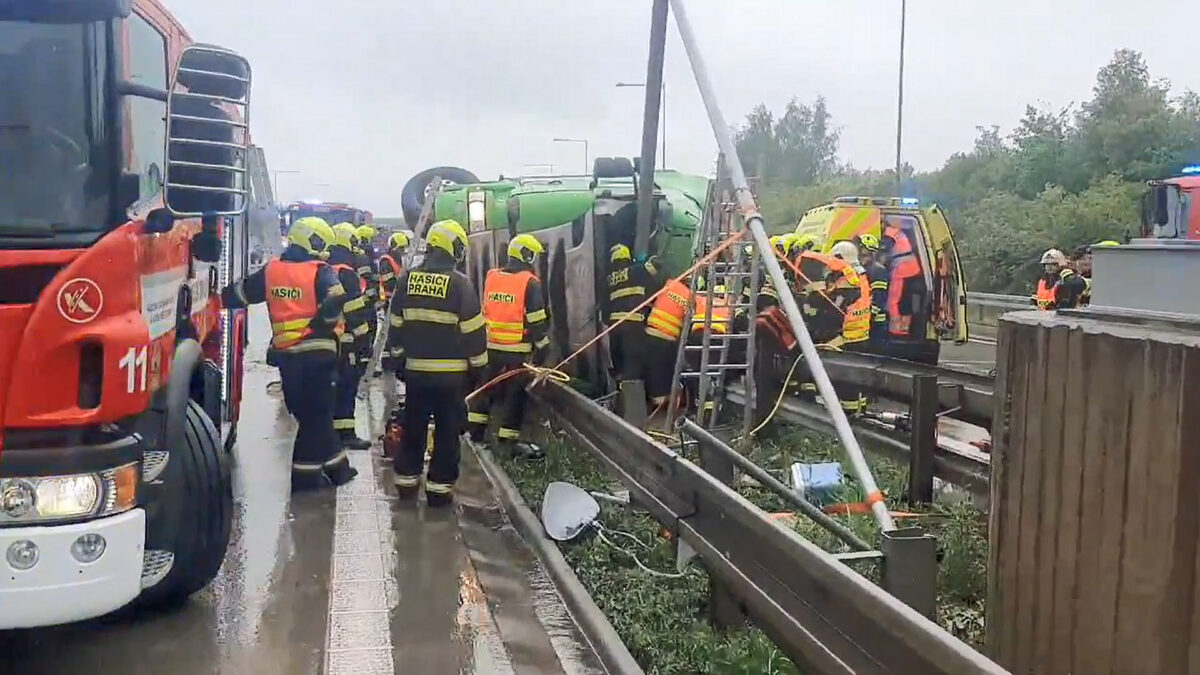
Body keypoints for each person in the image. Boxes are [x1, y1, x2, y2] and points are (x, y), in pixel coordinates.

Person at [220, 216, 357, 490]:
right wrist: (323, 326)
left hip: (288, 357)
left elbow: (238, 295)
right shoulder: (321, 271)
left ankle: (337, 469)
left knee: (309, 415)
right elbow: (334, 303)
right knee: (318, 416)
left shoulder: (271, 271)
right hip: (319, 353)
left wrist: (211, 292)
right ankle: (306, 477)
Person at [384, 219, 487, 507]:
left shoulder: (407, 280)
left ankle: (406, 484)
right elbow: (474, 334)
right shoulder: (460, 285)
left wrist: (400, 361)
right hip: (451, 380)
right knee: (446, 435)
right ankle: (439, 492)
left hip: (416, 375)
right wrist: (479, 370)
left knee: (414, 429)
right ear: (451, 247)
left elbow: (395, 327)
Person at [467, 234, 551, 458]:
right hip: (516, 351)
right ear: (526, 255)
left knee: (485, 390)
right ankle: (508, 441)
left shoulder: (492, 277)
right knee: (515, 396)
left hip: (490, 347)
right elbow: (536, 321)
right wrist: (544, 349)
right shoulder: (529, 282)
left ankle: (475, 433)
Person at [328, 223, 373, 449]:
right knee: (347, 386)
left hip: (324, 341)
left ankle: (332, 434)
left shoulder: (324, 269)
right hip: (344, 340)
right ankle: (346, 434)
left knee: (331, 389)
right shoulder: (347, 273)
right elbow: (354, 314)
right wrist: (364, 345)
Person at [603, 243, 664, 384]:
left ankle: (619, 389)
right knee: (633, 363)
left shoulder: (609, 279)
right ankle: (630, 392)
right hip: (633, 325)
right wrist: (653, 256)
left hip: (614, 327)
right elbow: (656, 265)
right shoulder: (637, 270)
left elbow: (605, 303)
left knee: (619, 363)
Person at [644, 275, 693, 409]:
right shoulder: (690, 297)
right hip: (666, 340)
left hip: (649, 334)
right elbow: (689, 324)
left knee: (653, 372)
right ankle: (665, 404)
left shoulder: (669, 284)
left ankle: (655, 401)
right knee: (666, 375)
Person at [373, 231, 411, 378]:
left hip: (397, 300)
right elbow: (388, 281)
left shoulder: (398, 260)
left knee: (393, 331)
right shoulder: (386, 260)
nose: (402, 252)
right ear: (395, 247)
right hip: (388, 300)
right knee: (385, 332)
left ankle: (389, 361)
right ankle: (381, 362)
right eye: (401, 249)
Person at [882, 221, 924, 339]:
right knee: (906, 300)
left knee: (893, 300)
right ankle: (905, 328)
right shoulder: (898, 232)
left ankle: (896, 329)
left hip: (902, 270)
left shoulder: (888, 235)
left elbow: (883, 252)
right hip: (913, 269)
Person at [855, 233, 890, 342]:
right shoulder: (861, 268)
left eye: (860, 247)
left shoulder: (878, 271)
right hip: (864, 321)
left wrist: (869, 317)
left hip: (876, 323)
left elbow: (879, 298)